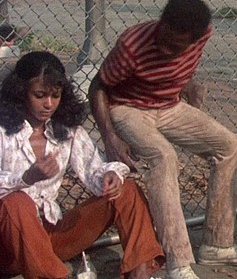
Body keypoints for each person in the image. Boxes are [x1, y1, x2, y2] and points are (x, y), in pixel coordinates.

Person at [89, 0, 237, 279]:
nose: (164, 48)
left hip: (170, 106)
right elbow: (97, 86)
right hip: (128, 108)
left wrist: (187, 83)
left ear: (195, 39)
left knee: (230, 146)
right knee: (164, 157)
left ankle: (218, 245)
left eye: (174, 47)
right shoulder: (132, 45)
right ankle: (179, 263)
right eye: (162, 38)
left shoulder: (203, 33)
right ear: (161, 23)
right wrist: (110, 137)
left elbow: (175, 66)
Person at [0, 51, 164, 279]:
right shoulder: (3, 131)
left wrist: (110, 177)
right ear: (20, 92)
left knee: (127, 189)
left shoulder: (66, 130)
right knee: (16, 202)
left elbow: (95, 169)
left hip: (49, 238)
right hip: (8, 245)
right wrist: (26, 178)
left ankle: (141, 273)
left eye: (55, 96)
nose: (49, 104)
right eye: (40, 95)